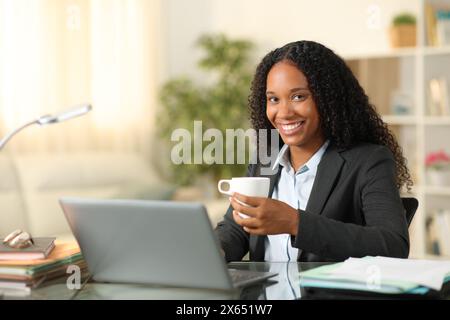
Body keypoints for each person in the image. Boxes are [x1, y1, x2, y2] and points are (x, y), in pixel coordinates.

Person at [215, 40, 412, 262]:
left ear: (328, 98)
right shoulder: (266, 158)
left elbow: (393, 245)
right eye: (273, 99)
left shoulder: (368, 161)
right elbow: (235, 230)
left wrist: (295, 223)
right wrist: (211, 252)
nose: (284, 112)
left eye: (298, 96)